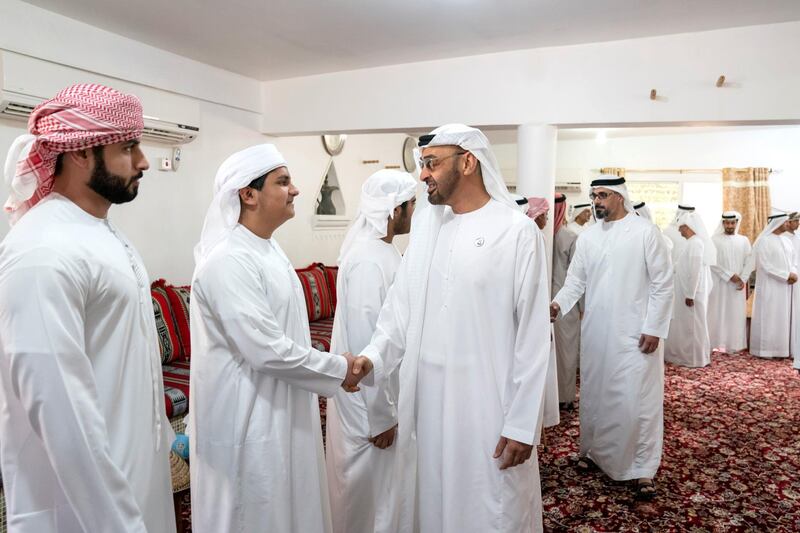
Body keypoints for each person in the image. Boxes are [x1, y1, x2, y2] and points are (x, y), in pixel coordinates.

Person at [358, 124, 552, 533]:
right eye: (421, 164)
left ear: (468, 162)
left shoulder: (515, 231)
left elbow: (533, 336)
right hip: (429, 405)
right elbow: (397, 314)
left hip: (489, 405)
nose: (423, 174)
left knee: (491, 506)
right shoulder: (430, 232)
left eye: (431, 163)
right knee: (434, 501)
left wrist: (521, 423)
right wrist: (369, 360)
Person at [0, 83, 175, 532]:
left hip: (132, 472)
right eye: (128, 147)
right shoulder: (44, 250)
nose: (143, 162)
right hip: (86, 510)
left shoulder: (98, 232)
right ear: (78, 153)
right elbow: (62, 416)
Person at [188, 144, 371, 533]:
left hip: (283, 407)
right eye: (283, 181)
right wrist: (340, 369)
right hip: (246, 418)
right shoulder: (228, 260)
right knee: (254, 510)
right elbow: (266, 350)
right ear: (248, 194)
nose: (296, 190)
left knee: (290, 504)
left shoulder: (267, 249)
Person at [550, 175, 673, 500]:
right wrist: (557, 305)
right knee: (598, 394)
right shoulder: (589, 237)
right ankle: (594, 453)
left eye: (603, 195)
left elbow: (663, 283)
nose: (597, 201)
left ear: (620, 196)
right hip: (598, 332)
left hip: (636, 334)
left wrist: (655, 327)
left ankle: (642, 468)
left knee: (636, 400)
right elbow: (575, 280)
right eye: (594, 195)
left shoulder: (646, 232)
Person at [325, 169, 417, 533]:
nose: (414, 212)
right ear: (394, 210)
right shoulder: (367, 259)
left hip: (382, 395)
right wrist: (382, 416)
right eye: (411, 205)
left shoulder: (384, 250)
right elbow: (366, 345)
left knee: (384, 494)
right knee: (363, 497)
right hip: (366, 405)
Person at [664, 212, 715, 367]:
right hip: (685, 291)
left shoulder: (696, 243)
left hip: (690, 292)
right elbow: (681, 266)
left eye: (681, 228)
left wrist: (690, 294)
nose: (680, 232)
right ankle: (685, 356)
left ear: (689, 227)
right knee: (686, 324)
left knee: (693, 326)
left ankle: (694, 358)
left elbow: (695, 271)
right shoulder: (691, 243)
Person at [749, 213, 797, 359]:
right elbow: (765, 265)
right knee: (769, 317)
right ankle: (765, 350)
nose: (787, 224)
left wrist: (793, 273)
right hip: (770, 287)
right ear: (778, 223)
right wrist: (785, 275)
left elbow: (794, 261)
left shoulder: (787, 241)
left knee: (782, 317)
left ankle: (781, 350)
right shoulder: (764, 241)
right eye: (785, 222)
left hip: (785, 287)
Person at [707, 212, 752, 354]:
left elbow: (749, 262)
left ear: (736, 223)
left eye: (732, 223)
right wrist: (729, 275)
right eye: (727, 223)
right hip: (720, 283)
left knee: (736, 314)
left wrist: (742, 279)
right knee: (718, 312)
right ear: (723, 223)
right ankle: (715, 343)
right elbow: (712, 262)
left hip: (737, 286)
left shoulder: (743, 240)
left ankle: (734, 344)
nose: (730, 226)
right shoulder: (714, 240)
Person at [551, 193, 580, 409]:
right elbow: (578, 277)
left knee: (554, 352)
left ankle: (552, 399)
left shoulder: (540, 233)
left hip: (551, 301)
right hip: (564, 305)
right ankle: (564, 398)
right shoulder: (569, 236)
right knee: (565, 352)